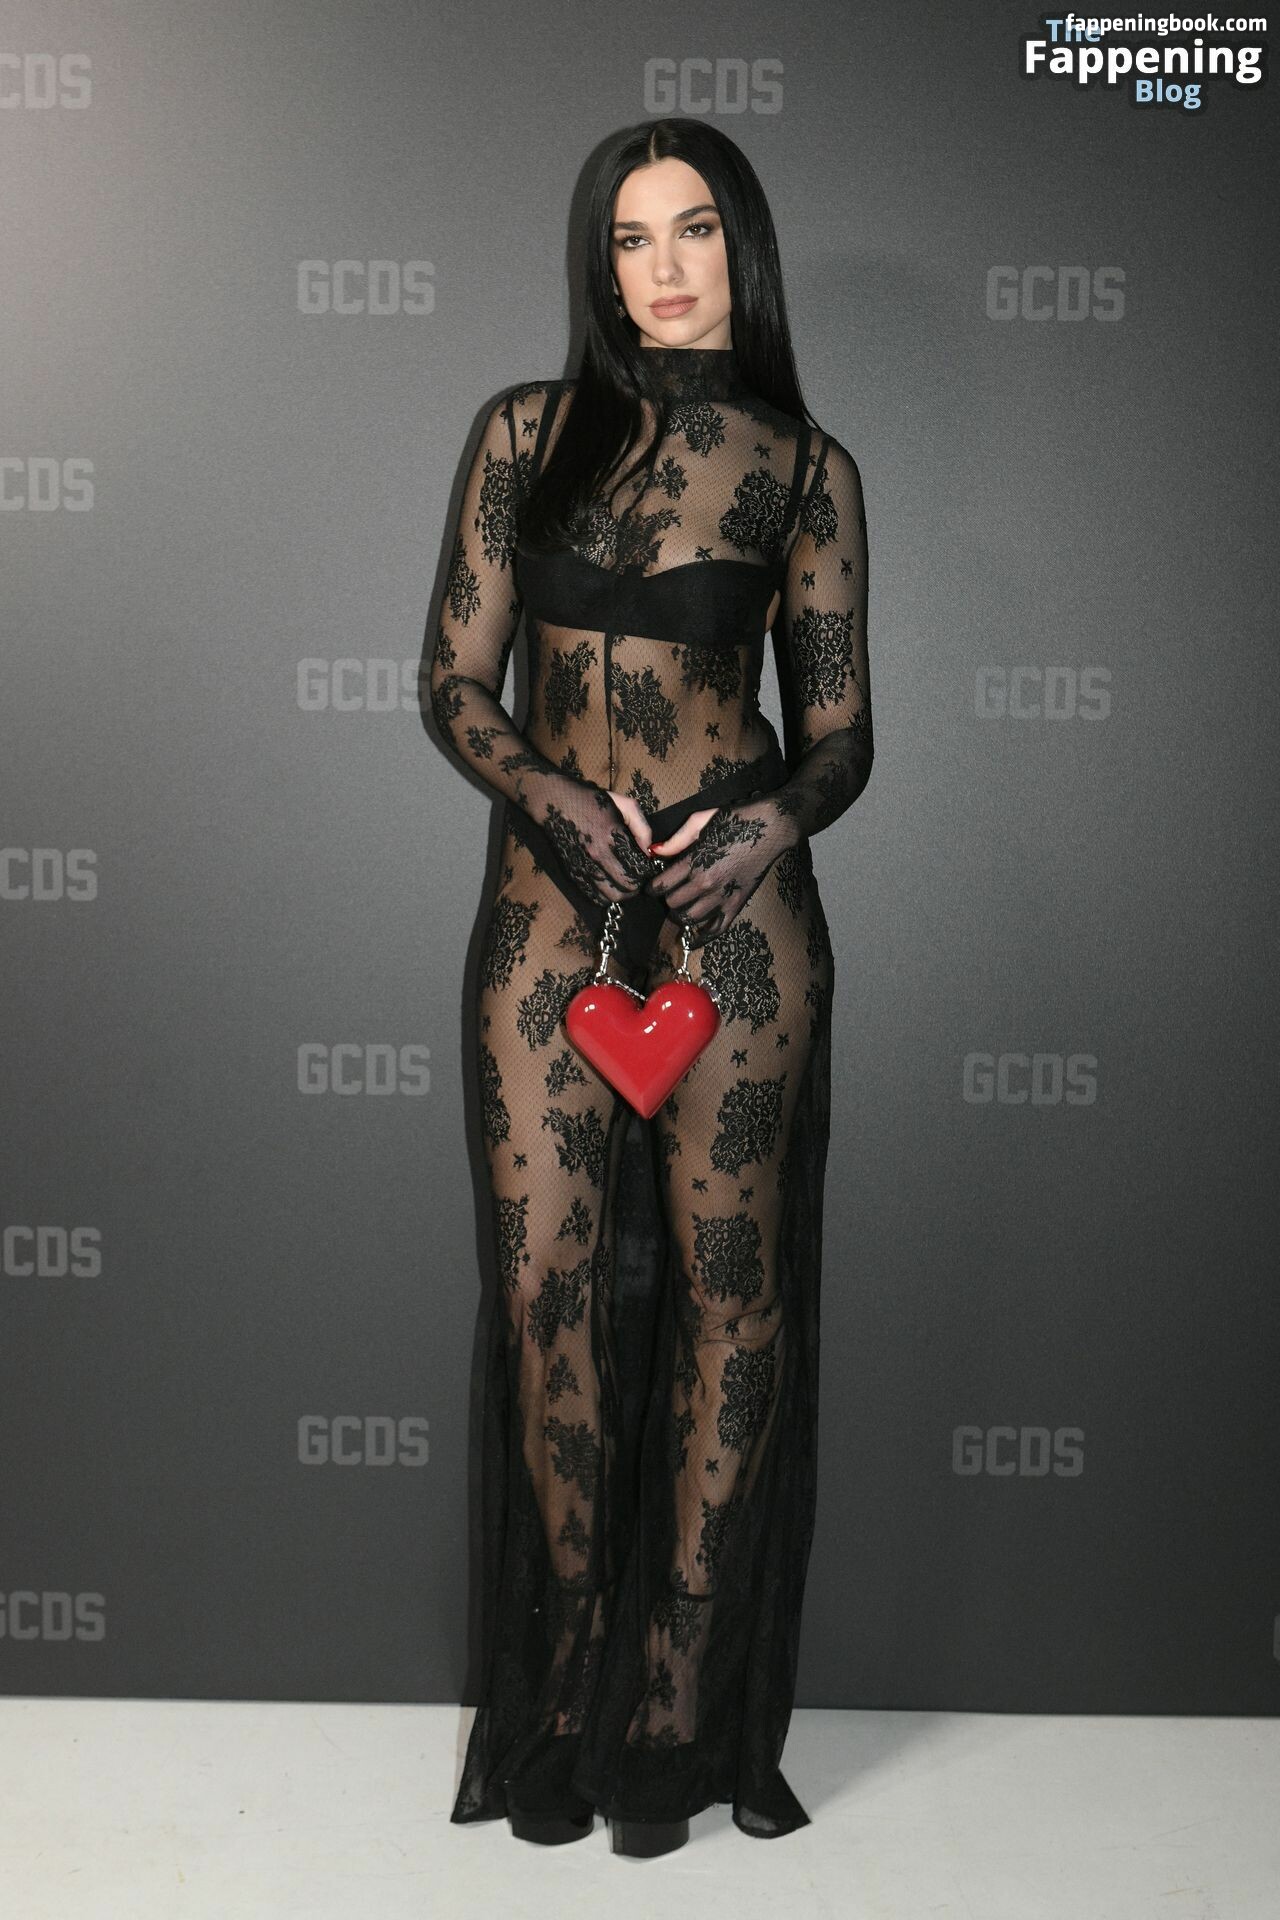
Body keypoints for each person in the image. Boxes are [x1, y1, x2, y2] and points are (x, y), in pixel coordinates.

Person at [429, 116, 873, 1857]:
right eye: (630, 238)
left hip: (735, 920)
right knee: (546, 1289)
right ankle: (560, 1694)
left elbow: (841, 734)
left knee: (727, 1305)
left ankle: (680, 1706)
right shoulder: (519, 436)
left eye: (693, 230)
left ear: (740, 248)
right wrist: (547, 795)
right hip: (548, 914)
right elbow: (454, 683)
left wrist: (769, 824)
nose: (664, 268)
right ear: (599, 263)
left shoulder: (806, 470)